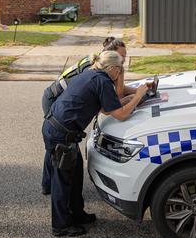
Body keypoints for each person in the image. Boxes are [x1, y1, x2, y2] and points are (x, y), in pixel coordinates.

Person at [43, 51, 148, 236]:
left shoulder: (92, 74)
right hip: (61, 134)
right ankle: (60, 226)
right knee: (63, 181)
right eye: (120, 69)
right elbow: (120, 115)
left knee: (75, 176)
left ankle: (77, 215)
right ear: (114, 69)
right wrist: (138, 95)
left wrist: (128, 100)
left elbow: (107, 108)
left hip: (59, 129)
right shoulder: (103, 80)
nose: (121, 73)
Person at [40, 37, 136, 195]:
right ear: (110, 55)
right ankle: (49, 184)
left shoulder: (102, 64)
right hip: (54, 98)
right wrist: (125, 78)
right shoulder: (95, 69)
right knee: (59, 149)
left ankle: (56, 186)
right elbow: (115, 96)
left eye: (125, 56)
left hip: (61, 102)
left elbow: (112, 96)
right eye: (122, 57)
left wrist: (138, 90)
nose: (124, 60)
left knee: (62, 148)